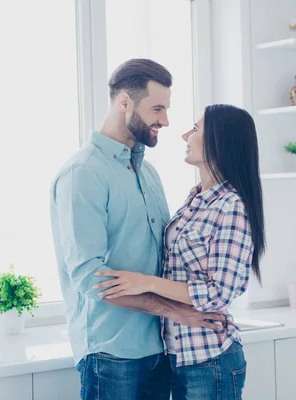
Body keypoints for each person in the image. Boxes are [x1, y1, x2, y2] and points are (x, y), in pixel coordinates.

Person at [50, 59, 225, 400]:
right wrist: (175, 311)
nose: (166, 120)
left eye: (167, 109)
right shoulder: (82, 173)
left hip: (157, 349)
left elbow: (165, 257)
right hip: (110, 353)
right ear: (125, 103)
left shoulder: (148, 174)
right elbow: (89, 277)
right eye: (157, 108)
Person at [95, 104, 266, 400]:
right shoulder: (195, 198)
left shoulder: (232, 207)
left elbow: (219, 292)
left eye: (196, 129)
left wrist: (144, 282)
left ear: (220, 141)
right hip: (175, 355)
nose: (185, 134)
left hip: (210, 358)